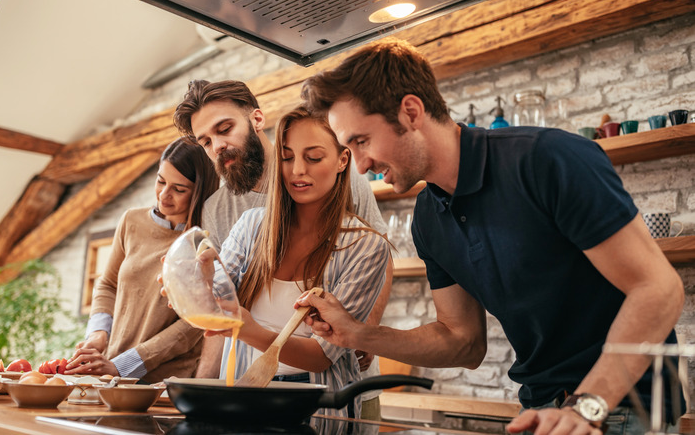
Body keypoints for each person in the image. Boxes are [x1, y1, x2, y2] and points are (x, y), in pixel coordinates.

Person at [296, 38, 685, 434]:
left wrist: (585, 408)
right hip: (540, 407)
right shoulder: (428, 217)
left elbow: (658, 288)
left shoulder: (546, 160)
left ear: (410, 111)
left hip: (623, 402)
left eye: (361, 141)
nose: (360, 166)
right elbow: (462, 341)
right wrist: (359, 334)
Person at [173, 79, 393, 419]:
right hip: (254, 386)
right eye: (205, 141)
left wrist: (363, 333)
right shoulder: (220, 209)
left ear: (257, 119)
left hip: (341, 384)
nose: (217, 145)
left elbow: (377, 259)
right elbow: (223, 301)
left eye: (225, 128)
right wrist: (204, 389)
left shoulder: (342, 179)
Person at [66, 137, 220, 383]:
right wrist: (98, 334)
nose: (164, 195)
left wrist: (124, 365)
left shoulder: (206, 241)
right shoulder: (131, 221)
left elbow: (194, 324)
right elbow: (108, 284)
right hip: (111, 371)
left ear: (200, 191)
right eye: (160, 181)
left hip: (167, 382)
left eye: (179, 189)